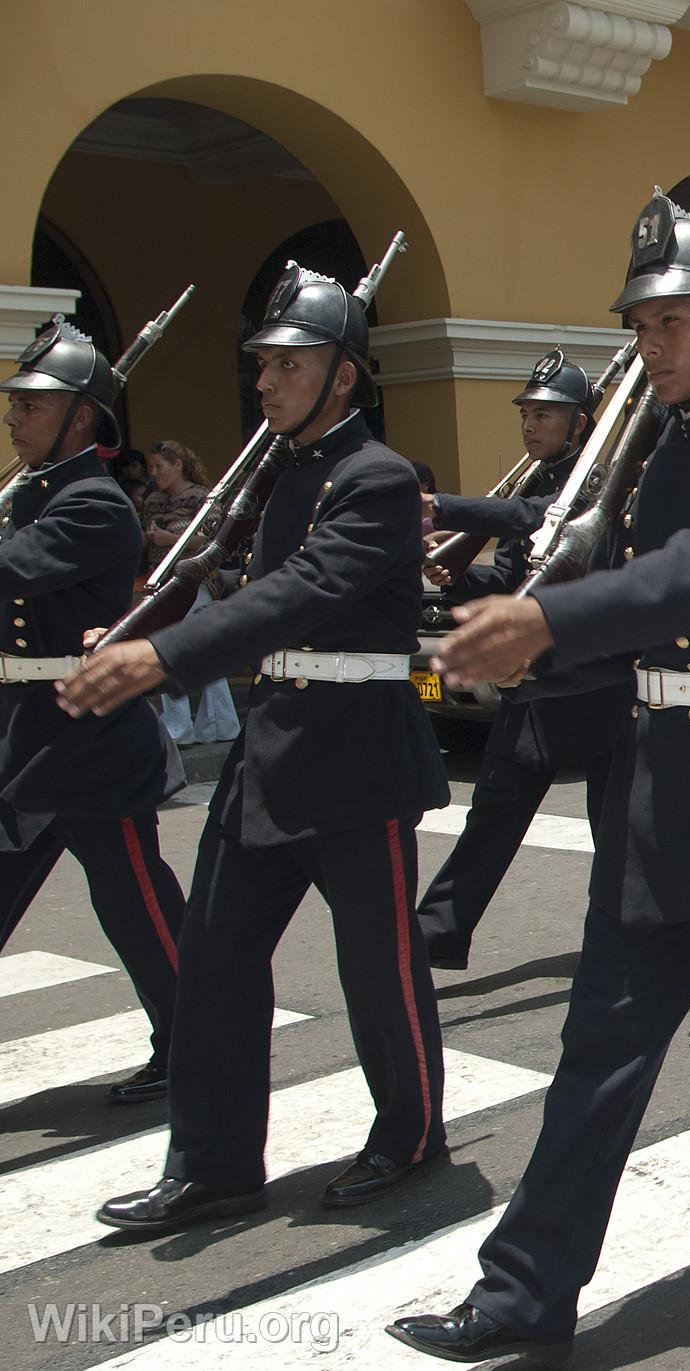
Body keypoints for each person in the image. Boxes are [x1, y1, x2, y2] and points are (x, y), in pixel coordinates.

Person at [386, 187, 690, 1359]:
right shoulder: (645, 454)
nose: (652, 342)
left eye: (675, 320)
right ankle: (522, 1292)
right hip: (661, 797)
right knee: (598, 1050)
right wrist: (491, 587)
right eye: (643, 323)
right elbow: (594, 561)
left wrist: (546, 623)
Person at [68, 260, 452, 1232]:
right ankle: (214, 1163)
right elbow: (248, 600)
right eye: (263, 364)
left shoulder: (374, 480)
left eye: (290, 362)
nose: (267, 380)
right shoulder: (288, 475)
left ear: (343, 376)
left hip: (357, 755)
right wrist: (135, 626)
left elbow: (304, 594)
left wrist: (165, 657)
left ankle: (408, 1135)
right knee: (216, 961)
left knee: (379, 967)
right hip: (271, 755)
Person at [0, 317, 188, 1106]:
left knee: (136, 906)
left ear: (81, 417)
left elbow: (15, 570)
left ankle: (196, 1042)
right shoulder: (34, 496)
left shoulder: (93, 504)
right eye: (14, 402)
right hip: (26, 736)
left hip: (89, 736)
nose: (14, 416)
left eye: (33, 405)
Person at [413, 350, 633, 971]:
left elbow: (537, 522)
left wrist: (445, 507)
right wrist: (450, 580)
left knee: (611, 829)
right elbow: (512, 578)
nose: (531, 426)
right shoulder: (537, 477)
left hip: (591, 685)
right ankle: (437, 934)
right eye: (527, 414)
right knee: (491, 818)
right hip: (532, 692)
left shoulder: (596, 483)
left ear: (581, 424)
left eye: (546, 414)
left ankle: (621, 935)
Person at [141, 441, 240, 746]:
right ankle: (180, 727)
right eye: (151, 468)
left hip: (195, 581)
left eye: (160, 466)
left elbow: (214, 539)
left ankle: (217, 725)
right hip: (163, 583)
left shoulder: (202, 497)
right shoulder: (153, 501)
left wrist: (170, 538)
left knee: (200, 649)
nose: (154, 474)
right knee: (167, 650)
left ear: (178, 465)